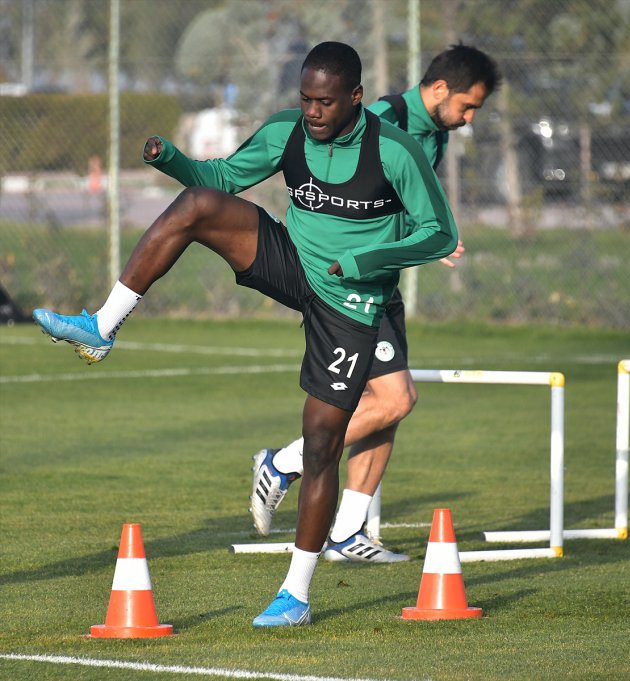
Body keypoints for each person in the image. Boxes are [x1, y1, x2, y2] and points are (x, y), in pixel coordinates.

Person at [33, 42, 458, 627]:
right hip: (293, 261)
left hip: (351, 301)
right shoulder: (288, 131)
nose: (313, 111)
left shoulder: (396, 151)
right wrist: (171, 159)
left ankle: (295, 595)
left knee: (321, 445)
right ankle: (102, 326)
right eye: (305, 99)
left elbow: (439, 234)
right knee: (198, 204)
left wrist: (365, 262)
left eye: (326, 102)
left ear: (356, 98)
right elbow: (223, 177)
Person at [249, 44, 501, 564]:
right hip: (350, 285)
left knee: (387, 412)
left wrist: (426, 237)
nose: (469, 118)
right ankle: (282, 464)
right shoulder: (383, 120)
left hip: (383, 283)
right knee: (396, 398)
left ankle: (347, 533)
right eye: (468, 106)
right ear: (439, 90)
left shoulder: (434, 134)